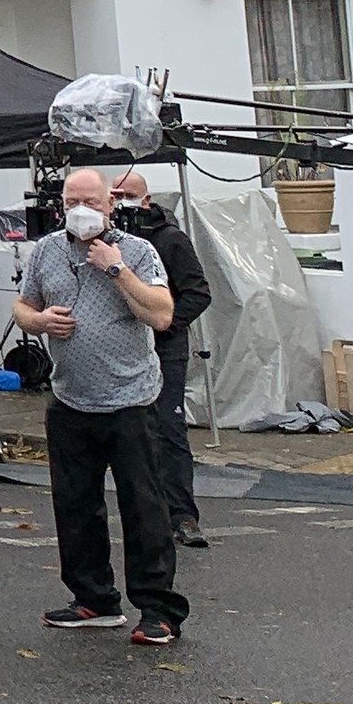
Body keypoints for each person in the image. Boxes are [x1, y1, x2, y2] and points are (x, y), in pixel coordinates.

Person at [15, 164, 186, 643]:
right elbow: (22, 307)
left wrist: (115, 269)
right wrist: (41, 321)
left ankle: (158, 609)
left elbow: (162, 314)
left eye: (90, 202)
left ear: (111, 204)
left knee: (144, 506)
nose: (81, 211)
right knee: (75, 505)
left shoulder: (137, 251)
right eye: (72, 203)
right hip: (70, 398)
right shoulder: (46, 251)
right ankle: (93, 598)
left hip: (131, 399)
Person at [113, 168, 212, 551]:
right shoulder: (105, 242)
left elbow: (198, 293)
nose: (121, 202)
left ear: (147, 200)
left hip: (164, 347)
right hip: (119, 349)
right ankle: (144, 513)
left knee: (168, 428)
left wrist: (166, 323)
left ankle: (183, 514)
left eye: (128, 195)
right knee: (128, 431)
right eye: (115, 195)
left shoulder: (170, 240)